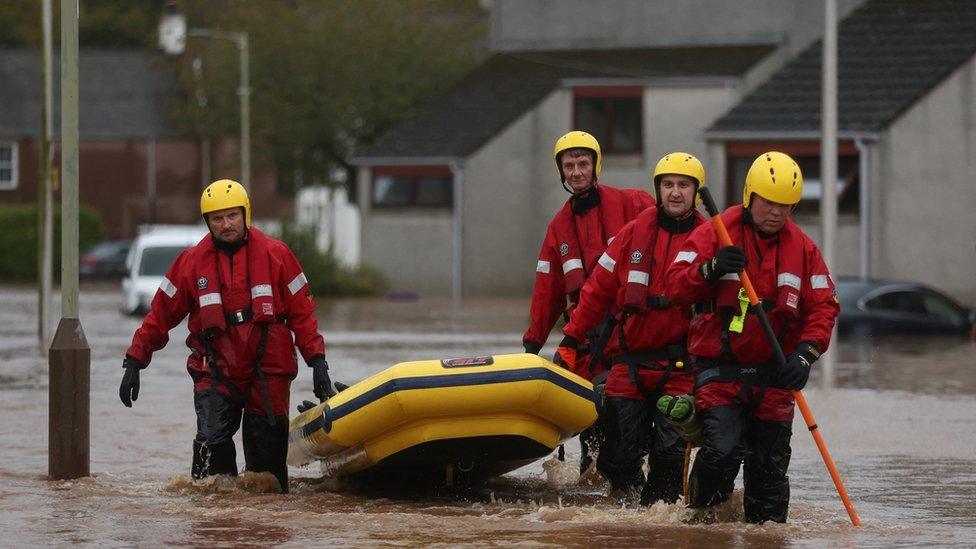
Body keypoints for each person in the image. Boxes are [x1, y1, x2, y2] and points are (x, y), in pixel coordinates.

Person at [118, 179, 337, 493]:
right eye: (217, 219)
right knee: (210, 452)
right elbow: (159, 316)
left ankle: (261, 529)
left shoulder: (277, 254)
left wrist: (317, 361)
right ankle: (216, 528)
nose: (226, 224)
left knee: (267, 471)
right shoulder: (190, 263)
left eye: (232, 216)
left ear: (245, 214)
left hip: (269, 368)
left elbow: (302, 313)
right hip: (217, 368)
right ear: (208, 222)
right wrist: (134, 362)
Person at [664, 152, 839, 523]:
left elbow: (824, 307)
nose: (777, 212)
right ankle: (697, 519)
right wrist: (710, 269)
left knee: (769, 475)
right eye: (769, 202)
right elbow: (675, 286)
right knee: (723, 452)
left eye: (786, 205)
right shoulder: (717, 231)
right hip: (720, 370)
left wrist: (805, 356)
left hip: (775, 375)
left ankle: (766, 535)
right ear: (750, 196)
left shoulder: (804, 248)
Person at [555, 152, 706, 503]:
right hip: (630, 361)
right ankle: (629, 514)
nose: (675, 192)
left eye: (683, 185)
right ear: (657, 189)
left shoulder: (710, 238)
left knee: (668, 456)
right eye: (667, 185)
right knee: (615, 455)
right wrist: (571, 337)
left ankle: (658, 521)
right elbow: (596, 291)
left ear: (696, 192)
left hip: (680, 366)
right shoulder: (634, 232)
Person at [523, 131, 654, 472]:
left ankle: (630, 489)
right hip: (584, 343)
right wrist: (532, 347)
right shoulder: (558, 228)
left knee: (625, 420)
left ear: (596, 166)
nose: (577, 172)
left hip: (629, 335)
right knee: (590, 428)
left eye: (583, 163)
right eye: (569, 165)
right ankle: (596, 503)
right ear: (561, 171)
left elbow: (676, 224)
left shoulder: (633, 203)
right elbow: (546, 291)